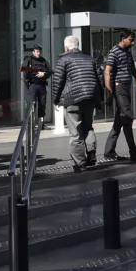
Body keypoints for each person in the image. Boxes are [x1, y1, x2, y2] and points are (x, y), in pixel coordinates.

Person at [52, 35, 100, 172]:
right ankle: (91, 153)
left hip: (73, 99)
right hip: (90, 97)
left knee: (75, 132)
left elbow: (58, 82)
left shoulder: (64, 59)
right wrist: (99, 99)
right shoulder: (90, 59)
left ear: (66, 47)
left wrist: (56, 100)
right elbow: (98, 78)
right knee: (88, 127)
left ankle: (80, 163)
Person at [103, 29, 136, 163]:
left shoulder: (127, 53)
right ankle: (133, 152)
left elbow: (133, 71)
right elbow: (107, 72)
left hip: (126, 89)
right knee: (127, 118)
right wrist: (110, 91)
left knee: (119, 121)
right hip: (119, 89)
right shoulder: (114, 52)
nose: (133, 42)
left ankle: (108, 152)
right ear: (123, 38)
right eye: (131, 40)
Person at [22, 45, 52, 121]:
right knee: (32, 104)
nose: (39, 53)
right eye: (37, 51)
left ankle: (41, 124)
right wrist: (36, 73)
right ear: (33, 52)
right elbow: (24, 70)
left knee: (42, 105)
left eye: (40, 52)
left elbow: (50, 71)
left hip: (42, 85)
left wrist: (44, 74)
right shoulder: (29, 60)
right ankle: (31, 123)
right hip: (33, 85)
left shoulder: (43, 61)